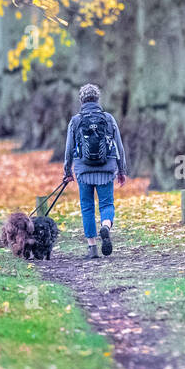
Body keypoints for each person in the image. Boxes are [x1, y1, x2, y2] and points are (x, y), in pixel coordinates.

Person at [63, 83, 127, 258]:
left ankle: (92, 248)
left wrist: (67, 172)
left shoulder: (76, 121)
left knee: (87, 207)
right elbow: (119, 146)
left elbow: (68, 149)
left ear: (81, 100)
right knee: (106, 204)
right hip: (106, 169)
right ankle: (105, 226)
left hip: (83, 170)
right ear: (98, 99)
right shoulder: (108, 118)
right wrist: (122, 170)